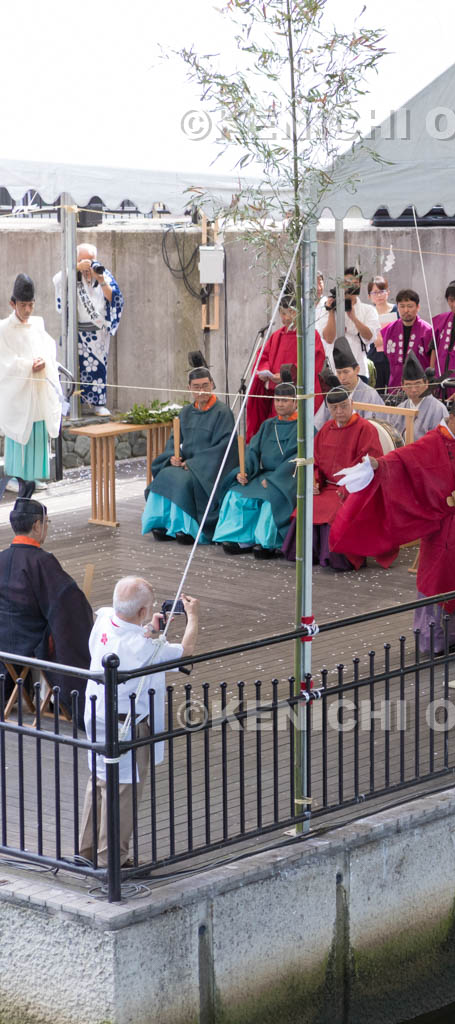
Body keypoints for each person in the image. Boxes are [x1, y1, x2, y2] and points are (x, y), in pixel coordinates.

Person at [330, 392, 455, 653]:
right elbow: (402, 459)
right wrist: (378, 465)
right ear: (453, 418)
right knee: (439, 582)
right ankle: (438, 642)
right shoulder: (431, 442)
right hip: (440, 529)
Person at [77, 578, 200, 868]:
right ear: (143, 611)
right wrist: (193, 617)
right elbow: (186, 650)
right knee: (123, 790)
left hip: (95, 711)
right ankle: (113, 860)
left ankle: (87, 850)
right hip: (126, 722)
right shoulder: (145, 648)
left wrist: (149, 629)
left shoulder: (104, 620)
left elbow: (129, 632)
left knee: (98, 780)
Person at [0, 498, 91, 714]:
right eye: (46, 522)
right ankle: (63, 701)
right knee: (69, 629)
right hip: (30, 640)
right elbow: (68, 602)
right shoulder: (42, 561)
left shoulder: (2, 558)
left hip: (3, 637)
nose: (46, 528)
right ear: (37, 526)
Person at [283, 375, 383, 571]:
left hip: (352, 488)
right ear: (328, 409)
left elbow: (369, 464)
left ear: (352, 403)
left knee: (333, 512)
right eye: (334, 408)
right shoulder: (326, 429)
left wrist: (348, 486)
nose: (339, 412)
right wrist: (315, 481)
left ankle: (336, 559)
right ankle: (308, 555)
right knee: (306, 506)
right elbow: (316, 461)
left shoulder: (366, 429)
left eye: (344, 406)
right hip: (326, 486)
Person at [143, 354, 236, 544]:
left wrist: (193, 464)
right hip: (185, 462)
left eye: (205, 386)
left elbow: (225, 447)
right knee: (165, 475)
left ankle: (186, 528)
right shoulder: (185, 412)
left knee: (181, 480)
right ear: (189, 389)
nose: (201, 391)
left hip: (205, 469)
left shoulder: (223, 412)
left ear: (212, 385)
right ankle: (163, 523)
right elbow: (174, 440)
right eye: (196, 387)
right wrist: (172, 457)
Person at [213, 368, 300, 558]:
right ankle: (241, 538)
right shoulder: (268, 425)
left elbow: (297, 459)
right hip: (264, 474)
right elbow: (253, 450)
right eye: (277, 400)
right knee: (237, 493)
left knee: (271, 498)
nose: (280, 404)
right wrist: (245, 471)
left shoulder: (304, 427)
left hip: (288, 478)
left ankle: (267, 542)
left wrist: (277, 479)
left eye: (285, 400)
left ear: (295, 402)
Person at [1, 275, 61, 500]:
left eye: (30, 304)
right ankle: (17, 478)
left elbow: (48, 348)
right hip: (18, 393)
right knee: (19, 431)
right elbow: (5, 362)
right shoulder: (4, 329)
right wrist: (28, 366)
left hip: (36, 389)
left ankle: (35, 476)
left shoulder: (38, 324)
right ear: (12, 303)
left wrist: (44, 362)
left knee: (37, 430)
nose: (27, 309)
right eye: (23, 305)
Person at [52, 243, 123, 415]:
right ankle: (68, 403)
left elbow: (114, 298)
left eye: (91, 260)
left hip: (97, 333)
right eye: (83, 259)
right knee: (72, 367)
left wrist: (101, 280)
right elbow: (57, 281)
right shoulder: (70, 273)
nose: (87, 264)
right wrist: (75, 268)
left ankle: (98, 403)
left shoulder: (102, 274)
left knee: (97, 367)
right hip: (76, 331)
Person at [245, 292, 324, 440]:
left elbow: (313, 360)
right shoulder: (277, 335)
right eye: (282, 313)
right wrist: (265, 372)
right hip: (277, 395)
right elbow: (263, 356)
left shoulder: (310, 335)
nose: (286, 318)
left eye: (290, 313)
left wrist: (287, 375)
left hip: (297, 395)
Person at [317, 266, 381, 385]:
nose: (351, 286)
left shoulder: (368, 310)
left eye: (355, 283)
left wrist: (354, 318)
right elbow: (329, 338)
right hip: (334, 371)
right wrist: (331, 312)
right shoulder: (327, 308)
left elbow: (370, 337)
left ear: (360, 285)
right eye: (347, 282)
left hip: (358, 369)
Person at [315, 344, 392, 431]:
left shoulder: (370, 395)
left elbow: (373, 430)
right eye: (339, 373)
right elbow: (317, 424)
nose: (342, 377)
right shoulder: (334, 393)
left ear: (357, 370)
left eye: (346, 372)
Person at [376, 288, 435, 390]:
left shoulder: (427, 330)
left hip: (419, 387)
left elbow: (432, 362)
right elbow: (385, 355)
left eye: (410, 306)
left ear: (418, 307)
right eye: (402, 306)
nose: (406, 310)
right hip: (395, 385)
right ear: (397, 307)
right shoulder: (390, 329)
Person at [397, 354, 447, 438]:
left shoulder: (438, 409)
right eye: (408, 385)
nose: (413, 389)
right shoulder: (400, 408)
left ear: (426, 383)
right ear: (402, 386)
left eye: (417, 384)